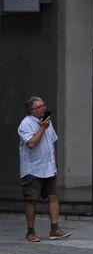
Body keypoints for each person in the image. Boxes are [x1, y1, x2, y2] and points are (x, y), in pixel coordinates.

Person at [18, 96, 70, 242]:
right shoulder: (26, 124)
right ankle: (30, 233)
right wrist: (41, 128)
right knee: (31, 200)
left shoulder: (47, 121)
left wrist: (53, 162)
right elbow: (31, 144)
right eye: (40, 107)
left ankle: (54, 229)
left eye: (44, 105)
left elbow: (51, 142)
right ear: (32, 110)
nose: (44, 108)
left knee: (53, 196)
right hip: (32, 169)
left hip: (49, 167)